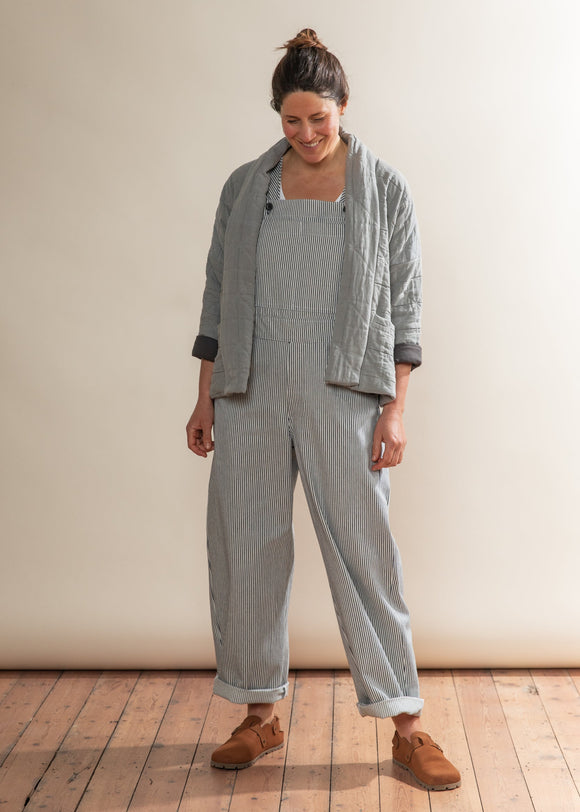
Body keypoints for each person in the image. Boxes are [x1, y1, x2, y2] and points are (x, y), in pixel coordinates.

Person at [186, 28, 461, 791]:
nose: (307, 134)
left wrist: (396, 410)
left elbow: (405, 310)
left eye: (320, 118)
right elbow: (216, 298)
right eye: (292, 121)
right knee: (248, 551)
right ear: (278, 117)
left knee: (366, 555)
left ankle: (407, 724)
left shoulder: (386, 191)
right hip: (248, 387)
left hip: (346, 391)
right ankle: (257, 712)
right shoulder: (246, 189)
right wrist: (205, 398)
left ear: (345, 106)